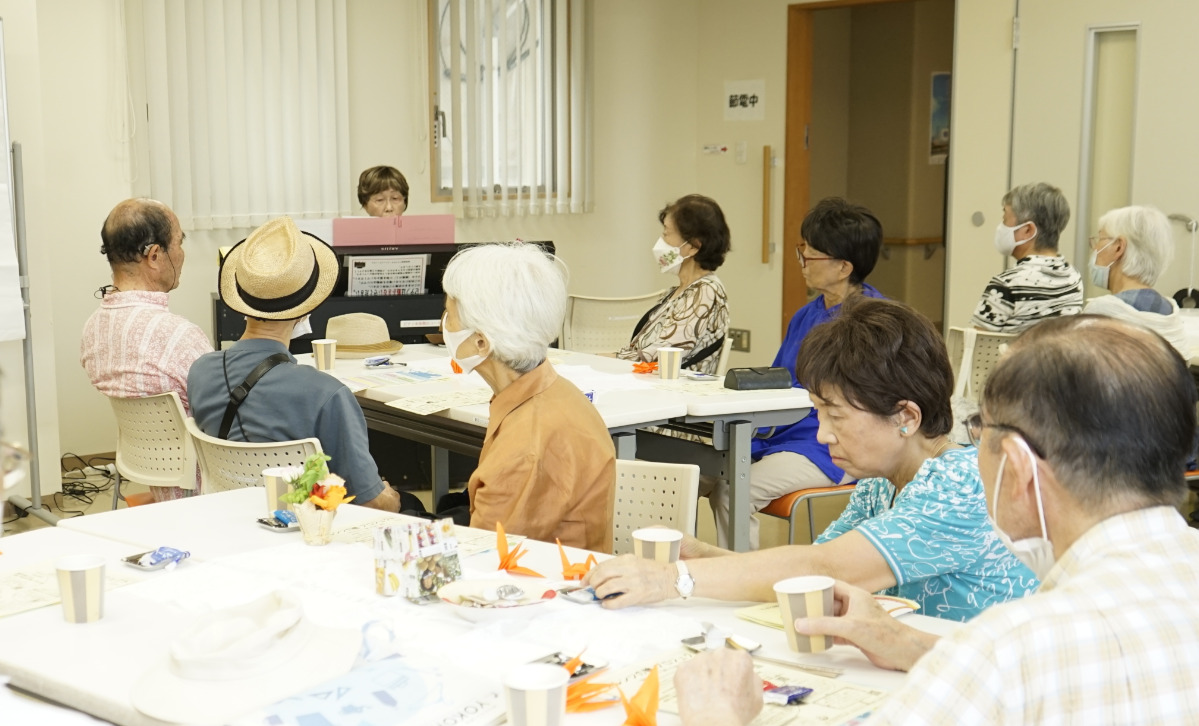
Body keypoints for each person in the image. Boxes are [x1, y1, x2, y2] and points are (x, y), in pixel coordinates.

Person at [685, 316, 1199, 724]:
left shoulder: (1011, 648)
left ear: (1018, 465)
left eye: (983, 430)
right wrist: (915, 645)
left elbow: (825, 564)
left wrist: (716, 716)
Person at [587, 298, 1037, 621]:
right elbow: (805, 574)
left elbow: (825, 570)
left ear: (905, 416)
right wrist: (701, 554)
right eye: (819, 413)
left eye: (835, 415)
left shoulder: (960, 484)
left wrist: (674, 580)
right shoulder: (881, 484)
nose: (822, 434)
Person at [705, 197, 884, 549]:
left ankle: (743, 587)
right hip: (786, 435)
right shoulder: (807, 315)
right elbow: (778, 382)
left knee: (732, 491)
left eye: (811, 255)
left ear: (843, 267)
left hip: (832, 446)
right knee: (695, 474)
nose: (802, 263)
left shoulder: (873, 323)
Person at [188, 217, 400, 512]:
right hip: (308, 530)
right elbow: (371, 503)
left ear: (241, 301)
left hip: (229, 520)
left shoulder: (200, 372)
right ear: (305, 312)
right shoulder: (327, 394)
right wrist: (391, 496)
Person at [442, 242, 616, 552]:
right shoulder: (553, 393)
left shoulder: (527, 444)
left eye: (449, 314)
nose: (444, 322)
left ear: (481, 342)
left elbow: (486, 557)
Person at [81, 198, 212, 502]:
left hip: (149, 474)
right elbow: (222, 418)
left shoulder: (93, 329)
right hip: (204, 492)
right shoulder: (181, 337)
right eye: (179, 243)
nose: (182, 254)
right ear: (155, 255)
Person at [616, 195, 730, 374]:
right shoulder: (677, 293)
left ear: (693, 246)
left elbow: (659, 357)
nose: (661, 241)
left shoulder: (705, 292)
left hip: (675, 393)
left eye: (667, 234)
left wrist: (597, 359)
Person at [971, 182, 1083, 332]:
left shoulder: (1006, 284)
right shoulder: (1073, 278)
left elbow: (979, 349)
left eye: (1005, 219)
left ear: (1028, 230)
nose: (1001, 227)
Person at [1083, 204, 1191, 357]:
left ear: (1118, 247)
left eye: (1100, 239)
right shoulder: (1170, 312)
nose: (1095, 249)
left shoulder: (1100, 313)